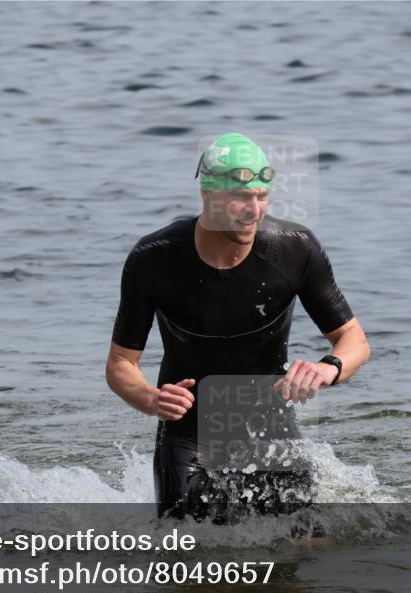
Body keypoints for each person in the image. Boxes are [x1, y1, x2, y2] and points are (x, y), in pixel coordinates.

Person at [106, 132, 369, 521]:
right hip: (188, 433)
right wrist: (150, 399)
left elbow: (354, 340)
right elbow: (119, 365)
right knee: (184, 555)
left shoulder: (295, 248)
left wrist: (328, 367)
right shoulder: (154, 259)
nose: (253, 209)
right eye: (240, 198)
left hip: (271, 428)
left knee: (307, 547)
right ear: (208, 196)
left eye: (262, 197)